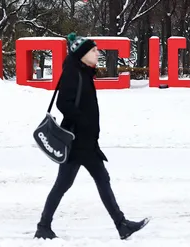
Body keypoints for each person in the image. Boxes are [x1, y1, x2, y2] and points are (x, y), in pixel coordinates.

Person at [34, 33, 149, 240]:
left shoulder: (83, 71)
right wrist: (83, 121)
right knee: (89, 180)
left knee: (74, 182)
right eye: (94, 50)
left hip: (85, 140)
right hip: (79, 141)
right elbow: (63, 103)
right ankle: (120, 224)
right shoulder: (73, 73)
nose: (98, 53)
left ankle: (45, 226)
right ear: (83, 54)